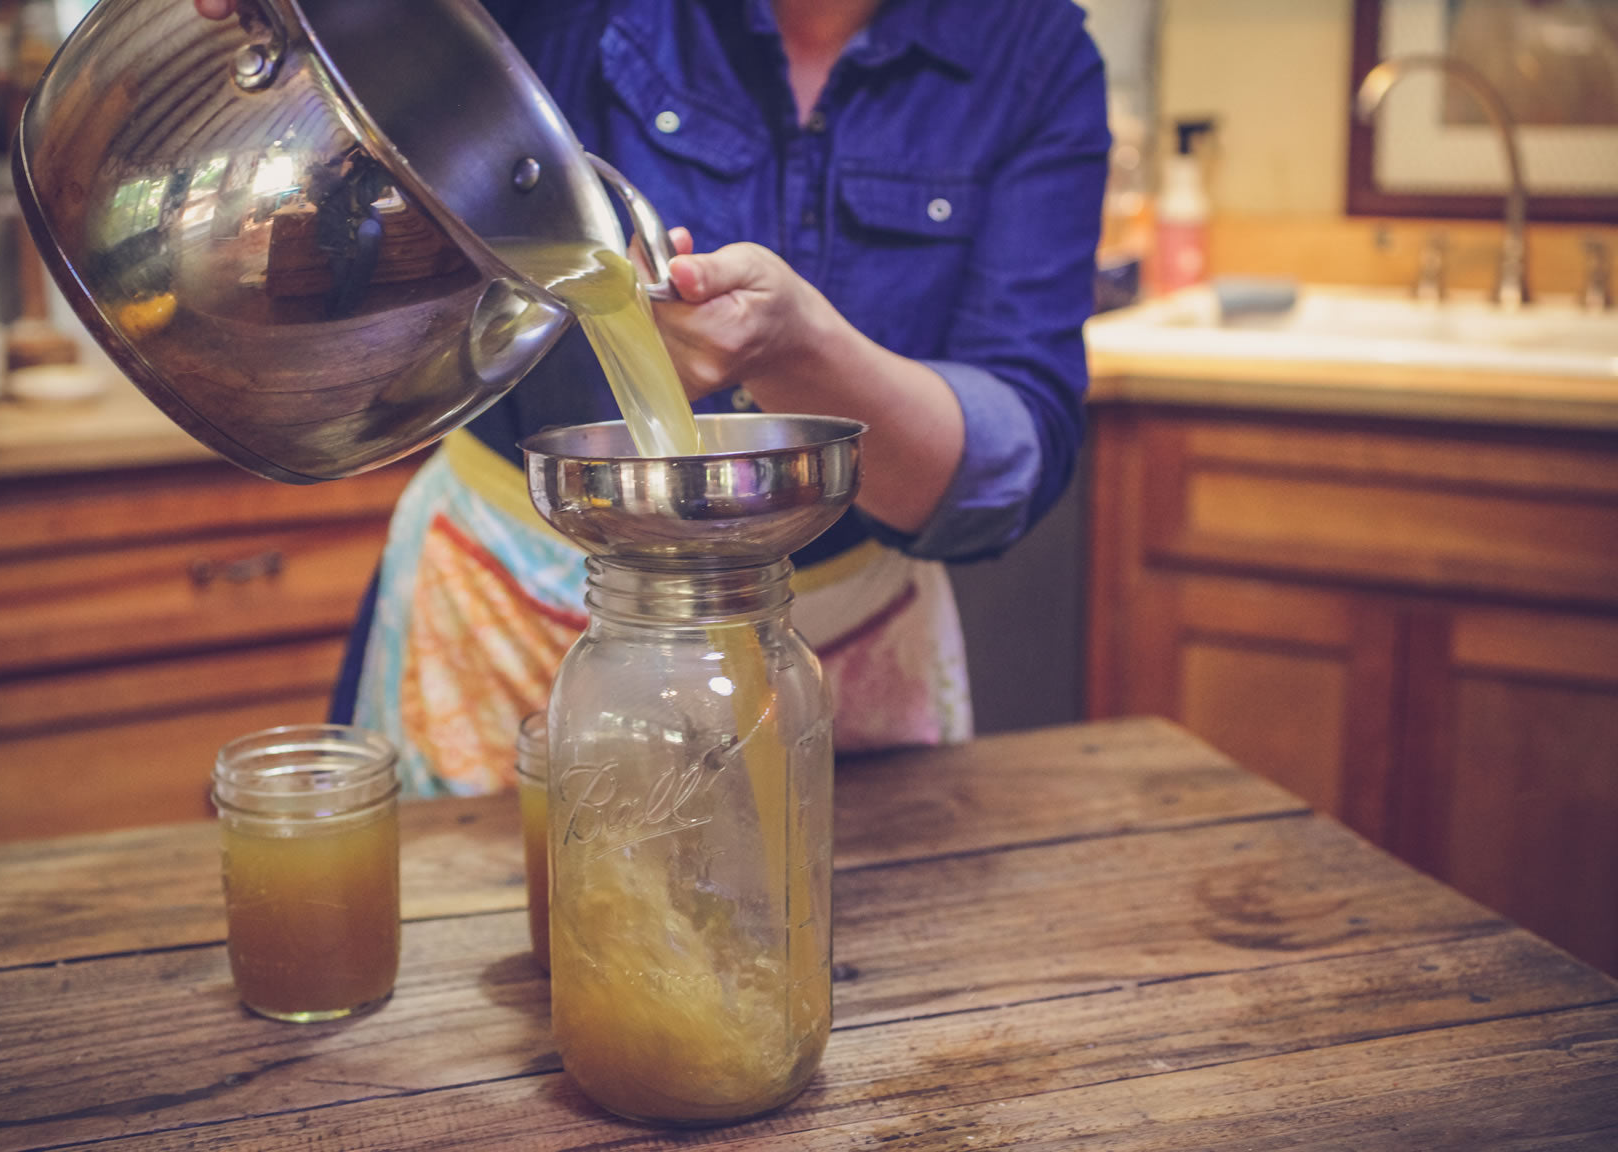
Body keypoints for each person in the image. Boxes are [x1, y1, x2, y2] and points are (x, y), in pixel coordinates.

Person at [196, 0, 1110, 795]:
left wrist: (801, 349)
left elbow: (1005, 467)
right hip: (512, 620)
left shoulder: (1032, 49)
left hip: (835, 645)